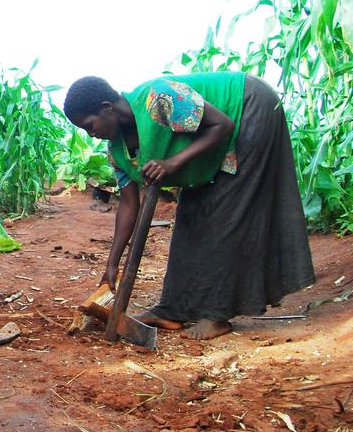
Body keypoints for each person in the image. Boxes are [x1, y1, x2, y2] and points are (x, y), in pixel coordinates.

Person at [63, 72, 315, 340]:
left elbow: (222, 125)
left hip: (248, 106)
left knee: (227, 213)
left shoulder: (158, 98)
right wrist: (112, 264)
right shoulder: (117, 153)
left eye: (90, 126)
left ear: (106, 108)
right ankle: (172, 310)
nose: (91, 134)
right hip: (216, 140)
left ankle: (217, 315)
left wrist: (172, 163)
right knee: (189, 218)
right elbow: (128, 205)